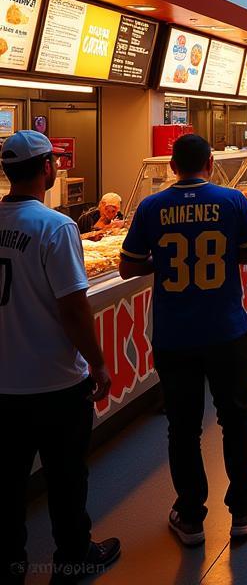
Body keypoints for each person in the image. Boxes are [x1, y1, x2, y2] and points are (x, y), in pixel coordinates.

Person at [119, 134, 247, 546]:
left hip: (173, 334)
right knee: (236, 416)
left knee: (182, 426)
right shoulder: (232, 200)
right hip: (226, 330)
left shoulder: (151, 206)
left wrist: (162, 260)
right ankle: (243, 507)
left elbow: (127, 267)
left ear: (171, 166)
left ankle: (190, 515)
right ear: (210, 162)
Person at [0, 131, 120, 584]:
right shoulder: (55, 226)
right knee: (67, 477)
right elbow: (73, 307)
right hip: (53, 381)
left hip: (3, 383)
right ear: (48, 168)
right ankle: (73, 557)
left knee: (7, 482)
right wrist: (99, 362)